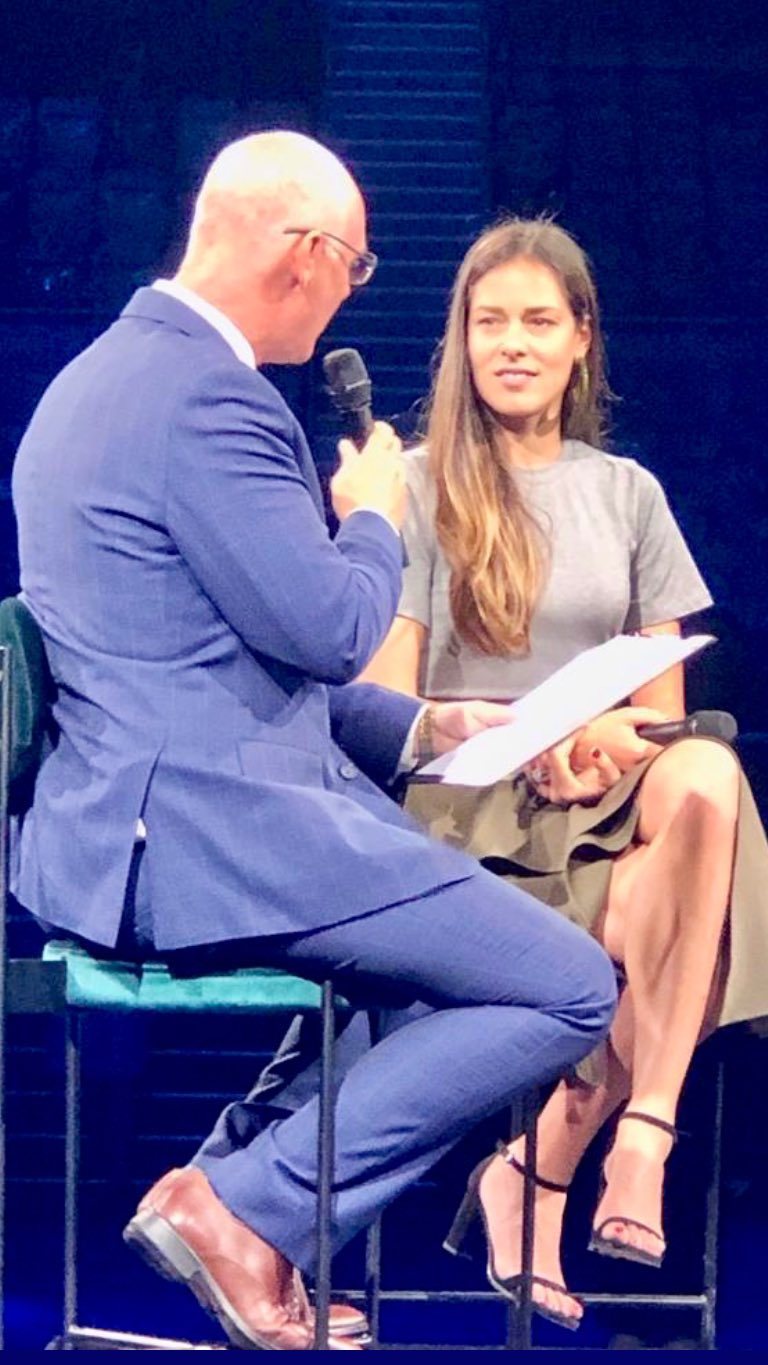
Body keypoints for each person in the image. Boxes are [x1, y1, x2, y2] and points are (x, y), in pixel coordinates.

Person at [10, 143, 617, 1351]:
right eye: (355, 267)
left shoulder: (95, 379)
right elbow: (332, 631)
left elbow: (200, 654)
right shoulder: (209, 398)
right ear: (307, 256)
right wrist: (379, 517)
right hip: (210, 831)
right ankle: (248, 1208)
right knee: (568, 984)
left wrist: (428, 727)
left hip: (133, 824)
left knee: (434, 970)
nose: (350, 293)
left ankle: (226, 1188)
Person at [358, 216, 768, 1331]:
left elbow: (663, 717)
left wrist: (599, 747)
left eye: (539, 321)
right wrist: (523, 739)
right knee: (685, 920)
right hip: (469, 806)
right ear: (462, 339)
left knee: (707, 778)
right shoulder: (418, 487)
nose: (514, 344)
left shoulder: (628, 492)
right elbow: (387, 707)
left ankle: (632, 1136)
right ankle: (559, 1165)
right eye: (490, 322)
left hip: (603, 798)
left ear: (582, 337)